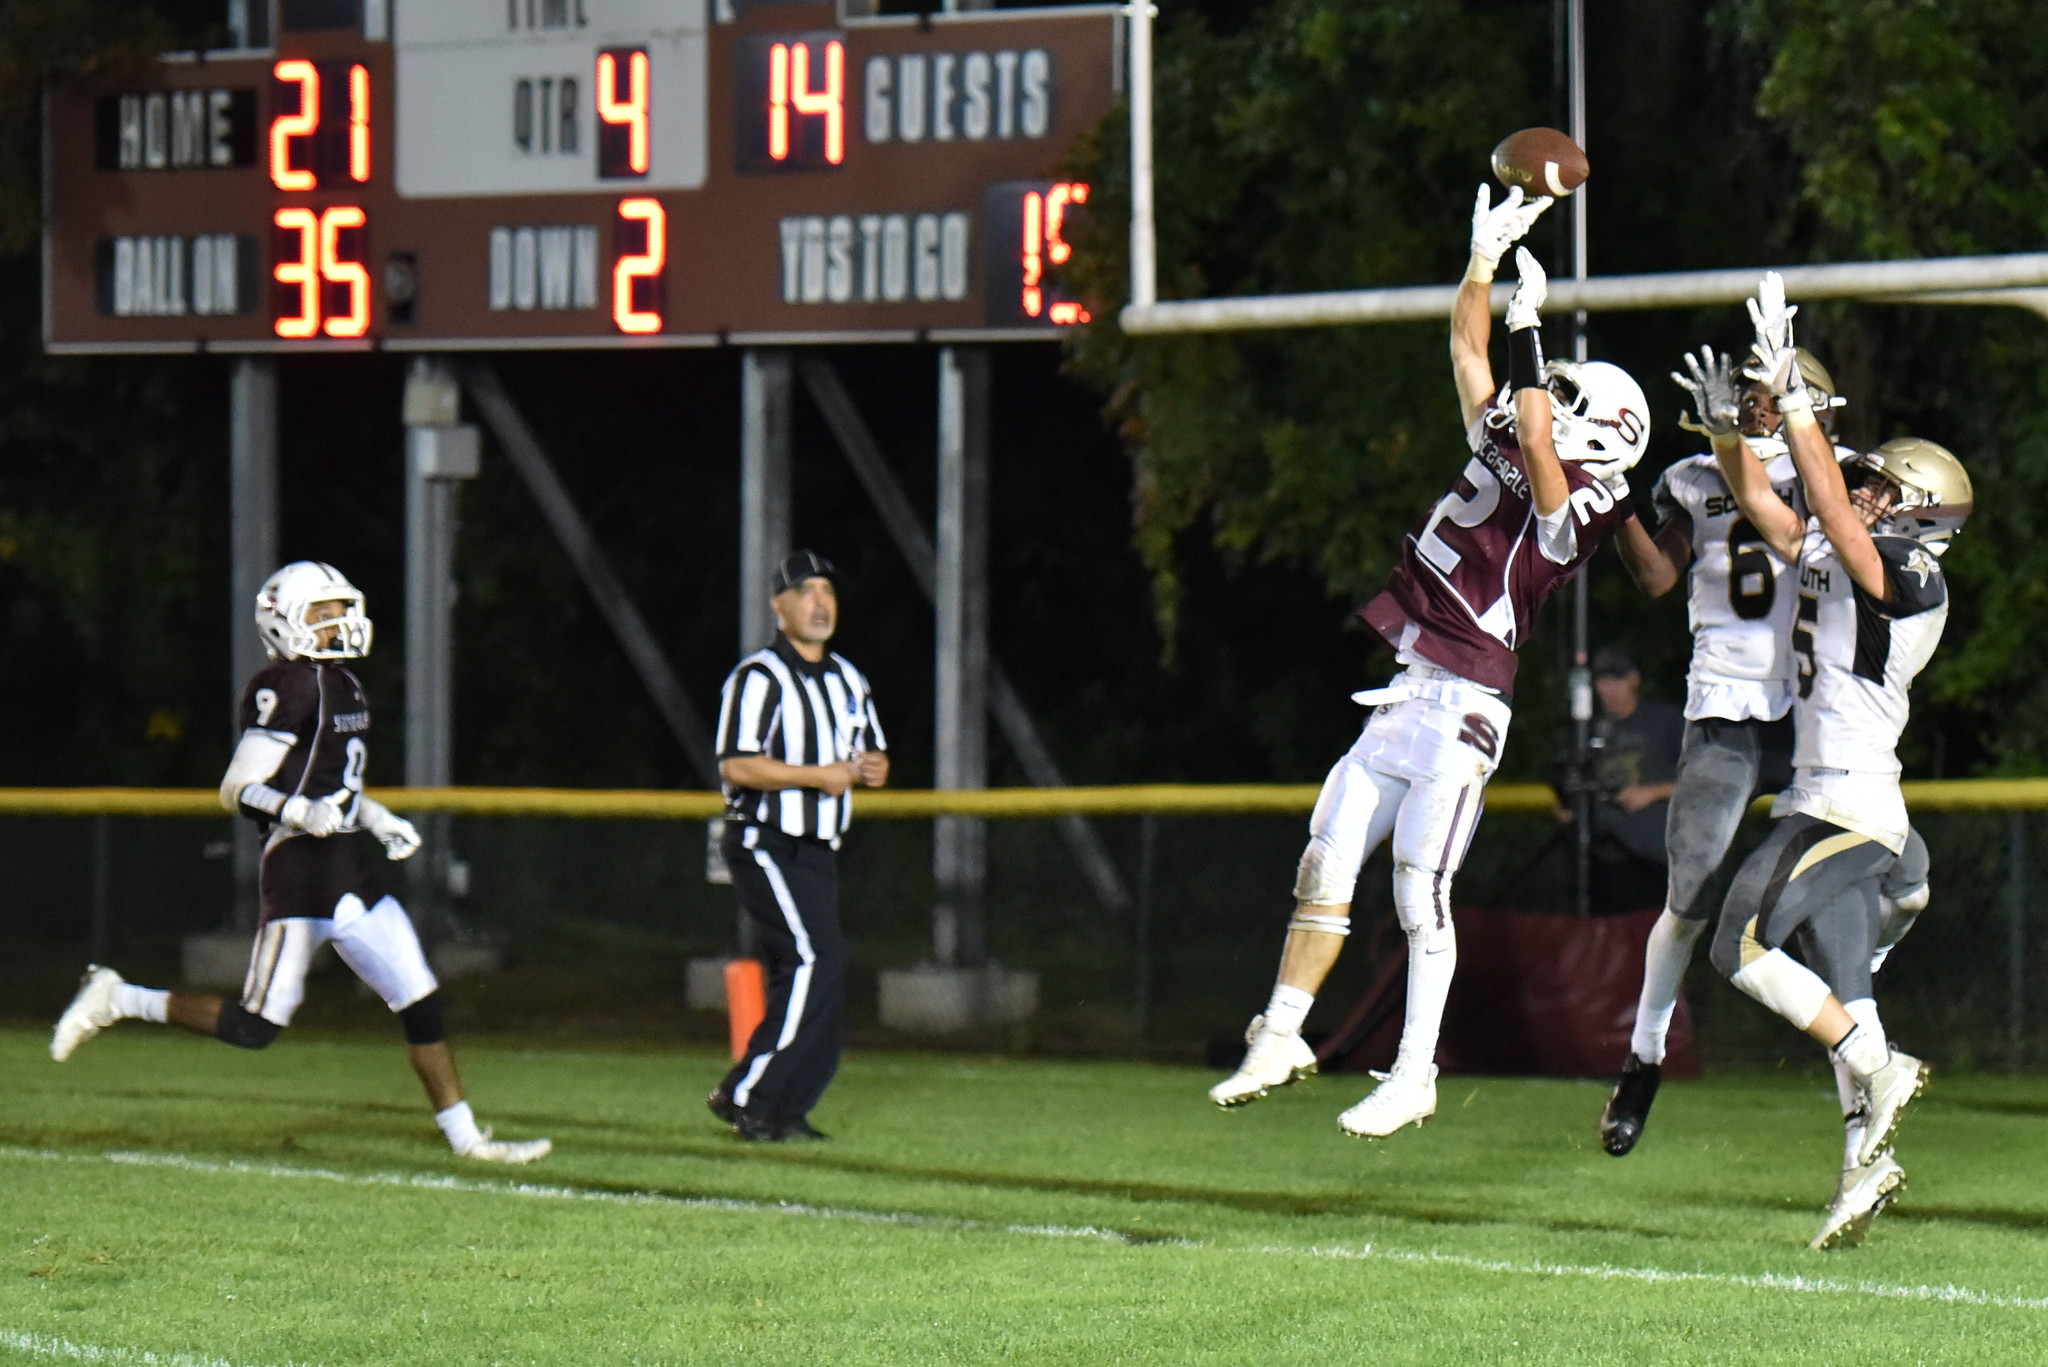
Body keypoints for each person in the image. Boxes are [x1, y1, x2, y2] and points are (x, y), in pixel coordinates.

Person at [1208, 187, 1651, 1138]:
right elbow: (1465, 353)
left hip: (1466, 706)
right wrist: (1481, 263)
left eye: (1574, 397)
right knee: (1324, 854)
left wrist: (1529, 321)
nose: (1551, 399)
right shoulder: (1515, 439)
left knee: (1420, 886)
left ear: (1611, 433)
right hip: (1407, 691)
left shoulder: (1582, 504)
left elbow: (1536, 433)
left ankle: (1414, 1073)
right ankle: (1283, 1033)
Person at [51, 561, 550, 1164]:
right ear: (283, 622)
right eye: (323, 613)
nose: (339, 622)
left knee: (422, 1002)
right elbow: (237, 787)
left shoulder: (345, 684)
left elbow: (335, 784)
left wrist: (376, 817)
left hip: (350, 870)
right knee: (254, 1028)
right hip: (300, 877)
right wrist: (293, 811)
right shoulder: (285, 687)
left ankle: (467, 1141)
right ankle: (117, 997)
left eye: (341, 609)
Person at [1690, 274, 1969, 1248]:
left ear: (1921, 512)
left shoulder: (1913, 574)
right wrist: (1729, 429)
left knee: (1737, 944)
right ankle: (1861, 1169)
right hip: (1832, 807)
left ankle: (1878, 1064)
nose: (1862, 489)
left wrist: (1798, 402)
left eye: (1882, 485)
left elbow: (1834, 519)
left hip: (1848, 812)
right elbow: (1768, 506)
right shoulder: (1841, 543)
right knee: (1843, 990)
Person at [707, 550, 888, 1142]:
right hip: (765, 839)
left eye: (828, 592)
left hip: (817, 847)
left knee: (821, 971)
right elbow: (737, 763)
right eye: (806, 591)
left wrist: (873, 768)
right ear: (778, 606)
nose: (820, 603)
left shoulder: (849, 679)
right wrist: (818, 775)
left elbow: (869, 752)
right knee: (816, 961)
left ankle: (786, 1108)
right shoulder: (759, 677)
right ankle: (749, 1095)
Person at [1555, 644, 1684, 916]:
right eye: (1603, 681)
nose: (1609, 689)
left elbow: (1698, 779)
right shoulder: (1589, 728)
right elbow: (1568, 780)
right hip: (1601, 857)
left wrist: (1651, 792)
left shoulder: (1665, 721)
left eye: (1617, 680)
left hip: (1652, 859)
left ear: (1634, 679)